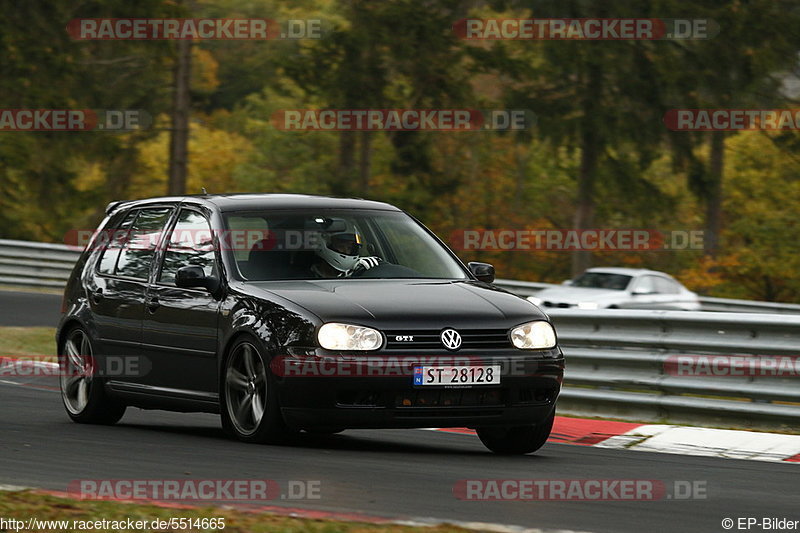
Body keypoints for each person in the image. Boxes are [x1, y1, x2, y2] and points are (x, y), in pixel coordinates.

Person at [310, 226, 383, 278]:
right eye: (341, 246)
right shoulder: (305, 277)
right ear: (321, 244)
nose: (347, 252)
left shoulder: (359, 272)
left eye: (350, 248)